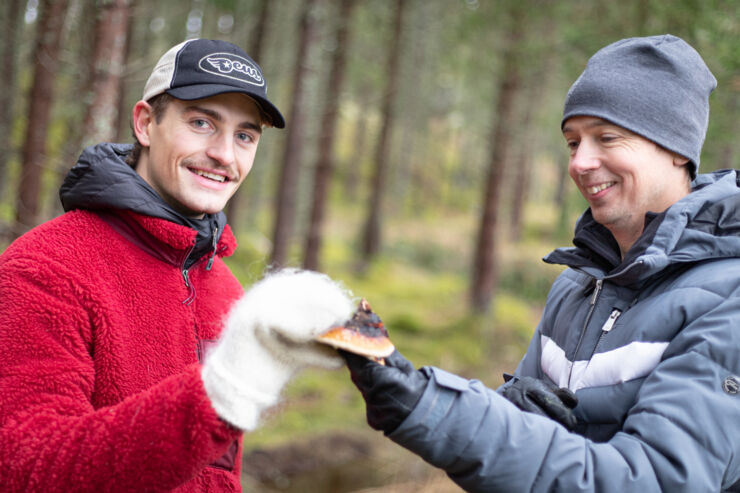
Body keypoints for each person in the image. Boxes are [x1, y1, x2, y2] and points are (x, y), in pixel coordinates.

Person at [343, 34, 740, 491]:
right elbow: (536, 451)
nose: (580, 162)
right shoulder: (577, 286)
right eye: (573, 143)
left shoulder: (726, 300)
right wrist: (510, 409)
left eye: (607, 137)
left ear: (677, 150)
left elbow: (653, 480)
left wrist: (435, 410)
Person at [0, 39, 350, 492]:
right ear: (146, 123)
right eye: (202, 122)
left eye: (245, 135)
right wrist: (225, 389)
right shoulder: (44, 268)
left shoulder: (224, 289)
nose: (225, 154)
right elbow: (29, 466)